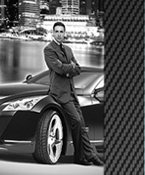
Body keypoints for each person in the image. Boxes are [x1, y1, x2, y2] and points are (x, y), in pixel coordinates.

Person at [43, 22, 103, 166]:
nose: (59, 34)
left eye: (61, 31)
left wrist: (67, 69)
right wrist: (70, 67)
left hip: (71, 92)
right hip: (59, 93)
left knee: (81, 125)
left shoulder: (68, 49)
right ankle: (89, 155)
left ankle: (81, 156)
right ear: (53, 33)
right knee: (76, 121)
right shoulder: (49, 49)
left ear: (64, 33)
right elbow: (58, 69)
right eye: (57, 31)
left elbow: (78, 69)